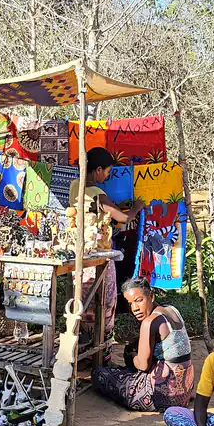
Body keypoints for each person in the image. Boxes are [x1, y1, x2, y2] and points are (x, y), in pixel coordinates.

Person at [70, 147, 146, 361]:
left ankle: (82, 354)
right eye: (107, 172)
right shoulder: (96, 193)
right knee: (105, 304)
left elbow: (100, 209)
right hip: (98, 256)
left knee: (82, 305)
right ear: (98, 169)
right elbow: (122, 218)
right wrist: (136, 208)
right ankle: (101, 357)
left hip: (81, 257)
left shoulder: (75, 186)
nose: (107, 177)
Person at [92, 277, 194, 411]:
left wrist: (131, 356)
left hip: (162, 395)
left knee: (99, 373)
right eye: (130, 304)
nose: (134, 308)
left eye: (138, 301)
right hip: (185, 391)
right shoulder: (171, 310)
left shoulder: (150, 322)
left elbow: (143, 365)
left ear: (151, 296)